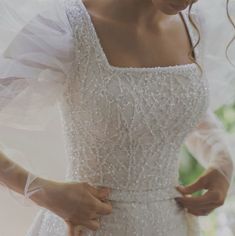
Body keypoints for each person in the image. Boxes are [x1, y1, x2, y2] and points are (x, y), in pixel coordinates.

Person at [0, 0, 235, 235]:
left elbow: (176, 110)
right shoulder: (65, 26)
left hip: (171, 225)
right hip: (89, 225)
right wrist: (41, 191)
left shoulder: (195, 23)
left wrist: (222, 161)